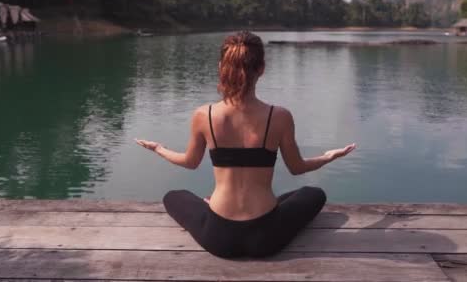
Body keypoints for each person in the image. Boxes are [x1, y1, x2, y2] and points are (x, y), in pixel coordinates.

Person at [136, 31, 356, 258]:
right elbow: (297, 167)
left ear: (221, 66)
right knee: (314, 193)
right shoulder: (279, 116)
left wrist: (158, 149)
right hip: (267, 236)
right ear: (261, 68)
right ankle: (262, 203)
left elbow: (190, 162)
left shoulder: (204, 115)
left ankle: (212, 203)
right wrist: (328, 156)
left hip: (218, 237)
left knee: (173, 195)